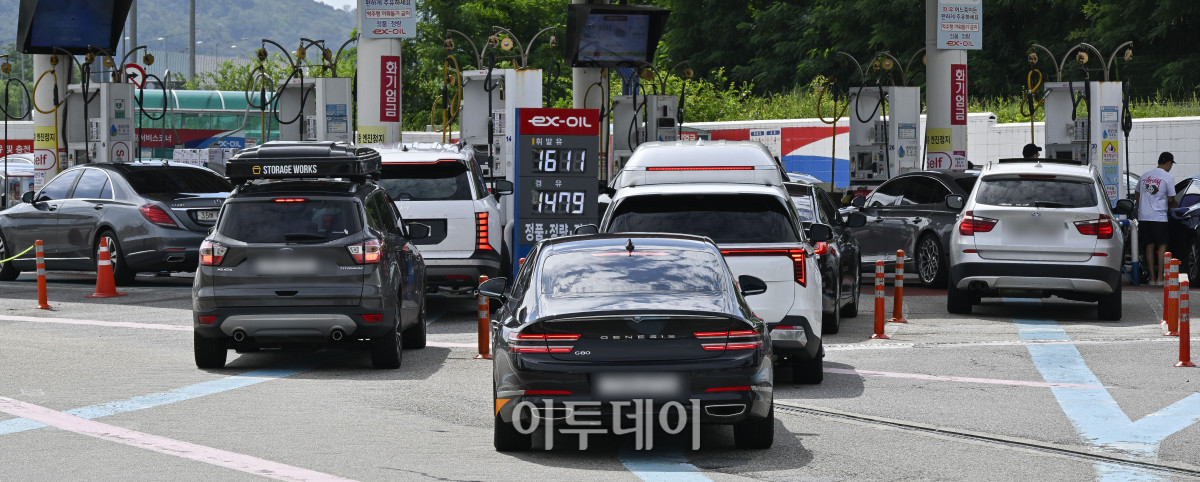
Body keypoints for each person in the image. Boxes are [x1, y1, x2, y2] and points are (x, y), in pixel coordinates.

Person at [1138, 152, 1177, 286]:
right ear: (1168, 163)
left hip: (1143, 216)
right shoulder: (1168, 177)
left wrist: (1143, 205)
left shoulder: (1144, 176)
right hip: (1159, 217)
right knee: (1162, 246)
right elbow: (1171, 199)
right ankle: (1160, 278)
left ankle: (1152, 279)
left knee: (1149, 245)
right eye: (1171, 164)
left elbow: (1137, 193)